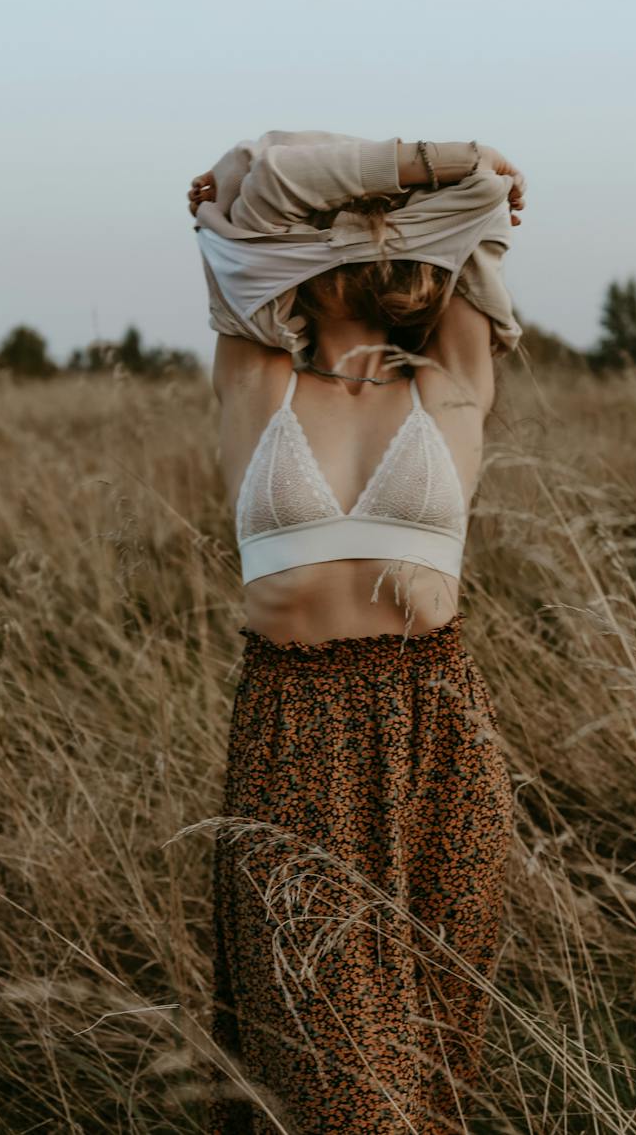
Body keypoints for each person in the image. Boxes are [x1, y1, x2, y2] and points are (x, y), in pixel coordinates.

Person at [187, 132, 526, 1132]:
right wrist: (427, 162)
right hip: (293, 732)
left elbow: (483, 194)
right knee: (338, 1081)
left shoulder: (450, 377)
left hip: (440, 726)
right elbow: (259, 182)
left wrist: (466, 176)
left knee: (429, 1062)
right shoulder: (257, 377)